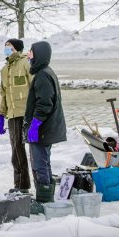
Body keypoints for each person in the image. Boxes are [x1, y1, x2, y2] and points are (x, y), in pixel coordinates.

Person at [24, 40, 67, 209]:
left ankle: (43, 201)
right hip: (46, 129)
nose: (28, 55)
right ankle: (45, 198)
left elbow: (44, 104)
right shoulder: (46, 72)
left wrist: (35, 125)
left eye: (31, 52)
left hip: (43, 129)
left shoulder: (42, 75)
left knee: (39, 163)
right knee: (44, 162)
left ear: (39, 55)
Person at [0, 39, 32, 192]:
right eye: (5, 47)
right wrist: (1, 115)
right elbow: (4, 94)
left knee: (29, 150)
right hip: (12, 115)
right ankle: (20, 184)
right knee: (16, 150)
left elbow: (34, 86)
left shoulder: (25, 63)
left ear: (17, 49)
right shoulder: (5, 69)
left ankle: (23, 185)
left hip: (25, 112)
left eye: (9, 47)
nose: (6, 49)